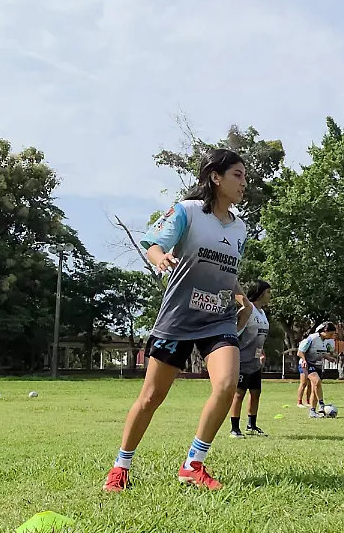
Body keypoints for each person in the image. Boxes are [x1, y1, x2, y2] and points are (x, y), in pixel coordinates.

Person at [103, 149, 251, 492]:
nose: (244, 183)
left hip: (219, 320)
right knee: (152, 397)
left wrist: (241, 297)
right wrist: (161, 258)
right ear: (216, 177)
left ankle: (193, 464)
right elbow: (154, 245)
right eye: (238, 175)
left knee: (227, 385)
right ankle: (121, 465)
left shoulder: (240, 228)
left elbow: (228, 271)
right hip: (179, 318)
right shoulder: (186, 212)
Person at [229, 280, 272, 438]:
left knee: (256, 392)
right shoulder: (247, 310)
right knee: (239, 393)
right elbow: (235, 333)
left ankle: (251, 425)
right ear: (260, 293)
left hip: (254, 361)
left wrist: (261, 352)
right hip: (241, 360)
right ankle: (234, 428)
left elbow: (259, 336)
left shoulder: (262, 313)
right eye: (268, 292)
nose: (270, 295)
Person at [299, 322, 339, 417]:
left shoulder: (326, 341)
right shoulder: (312, 338)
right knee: (317, 382)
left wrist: (329, 358)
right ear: (325, 331)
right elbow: (300, 352)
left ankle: (312, 411)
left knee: (315, 388)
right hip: (307, 364)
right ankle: (321, 405)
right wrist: (304, 360)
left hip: (318, 365)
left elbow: (321, 353)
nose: (332, 336)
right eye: (331, 333)